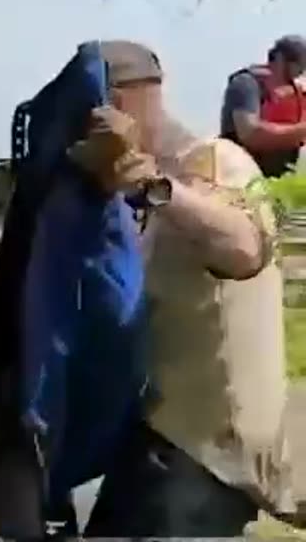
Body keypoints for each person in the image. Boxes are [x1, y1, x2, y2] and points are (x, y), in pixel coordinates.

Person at [68, 40, 294, 536]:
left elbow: (242, 247)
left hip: (201, 454)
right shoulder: (135, 199)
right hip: (160, 442)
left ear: (121, 104)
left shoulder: (215, 160)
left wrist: (149, 181)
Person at [220, 34, 306, 177]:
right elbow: (249, 134)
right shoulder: (246, 84)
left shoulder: (297, 92)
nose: (301, 71)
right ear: (279, 58)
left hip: (282, 176)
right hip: (240, 174)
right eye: (298, 63)